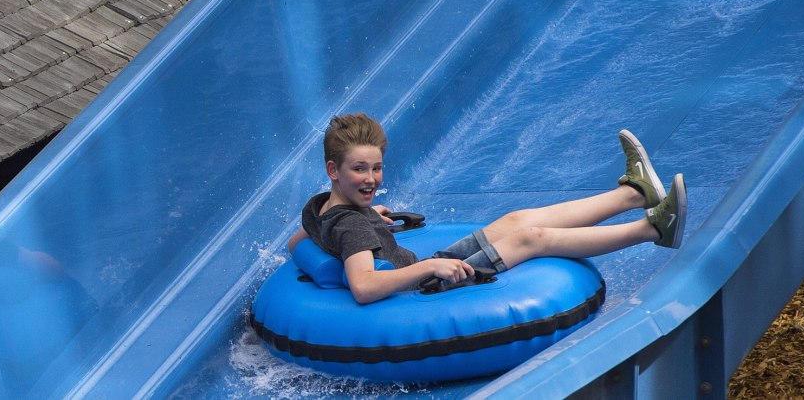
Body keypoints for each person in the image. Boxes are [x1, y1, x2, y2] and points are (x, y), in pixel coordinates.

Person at [287, 113, 686, 304]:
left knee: (513, 220)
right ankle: (653, 230)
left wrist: (370, 219)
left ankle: (633, 193)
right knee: (530, 238)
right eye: (359, 169)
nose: (371, 178)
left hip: (422, 269)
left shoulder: (320, 206)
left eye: (375, 167)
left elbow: (299, 241)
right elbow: (363, 287)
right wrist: (427, 266)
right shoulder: (350, 227)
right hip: (428, 287)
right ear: (332, 170)